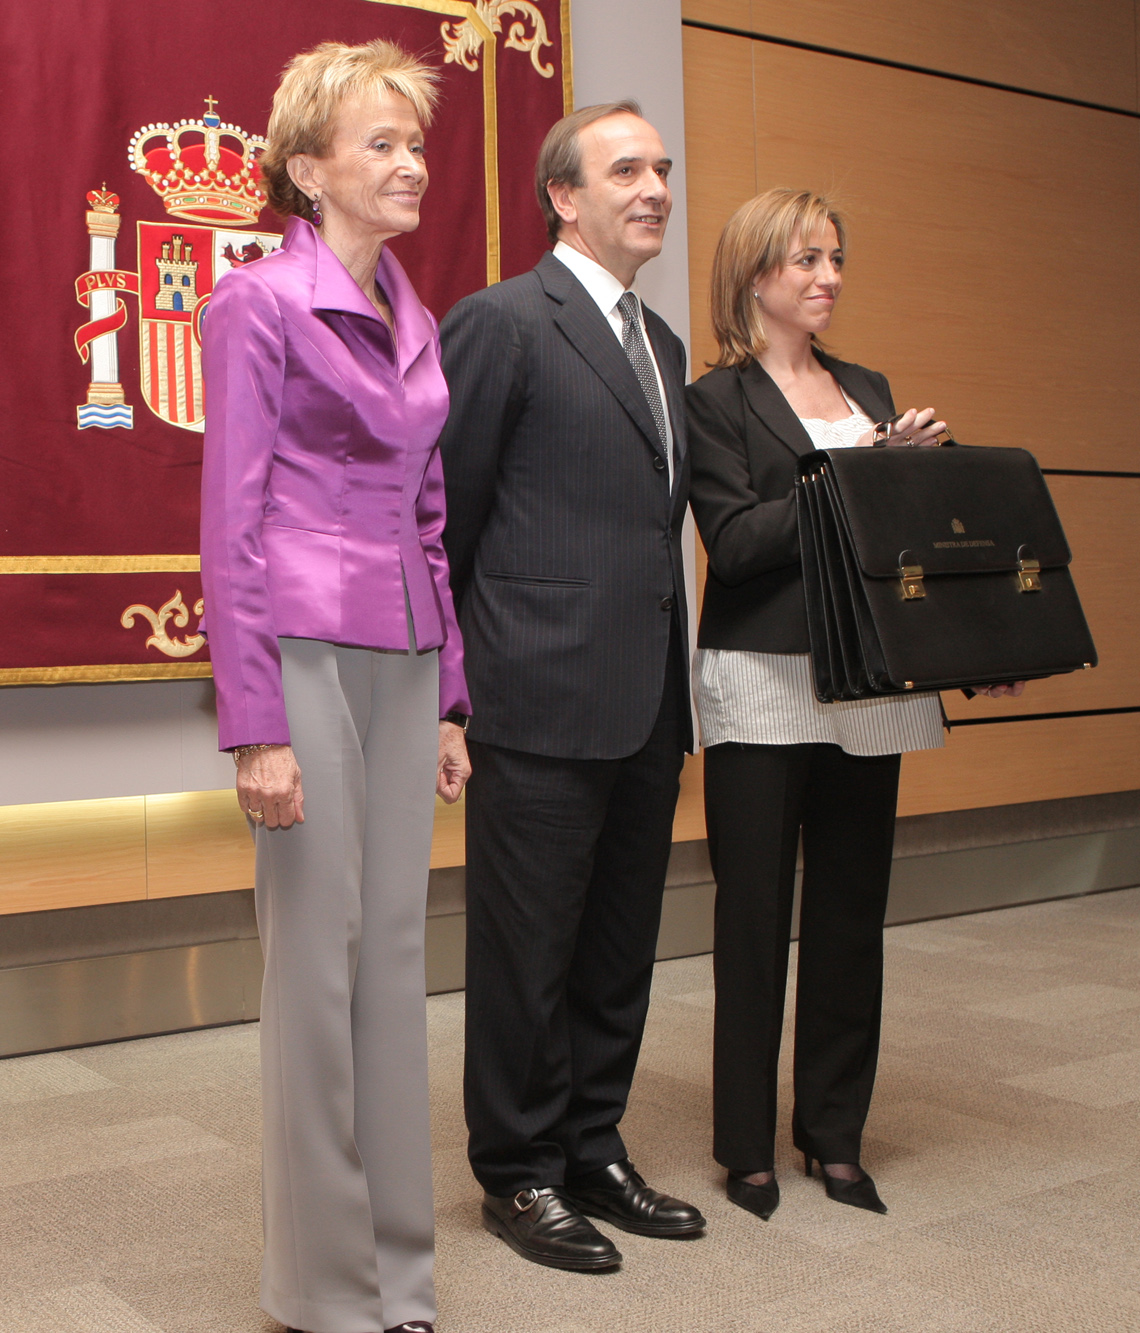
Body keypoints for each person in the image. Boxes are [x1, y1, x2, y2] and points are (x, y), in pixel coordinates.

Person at [199, 39, 472, 1333]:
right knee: (316, 966)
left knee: (392, 961)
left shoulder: (417, 317)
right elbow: (230, 526)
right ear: (308, 170)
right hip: (302, 649)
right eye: (381, 143)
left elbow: (431, 519)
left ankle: (398, 1276)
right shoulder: (255, 304)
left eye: (415, 143)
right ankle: (321, 1290)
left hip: (407, 655)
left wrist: (453, 698)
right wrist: (254, 725)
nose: (410, 163)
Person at [685, 187, 1023, 1221]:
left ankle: (834, 1136)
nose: (827, 277)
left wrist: (909, 480)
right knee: (752, 920)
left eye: (834, 258)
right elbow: (735, 542)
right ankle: (746, 1149)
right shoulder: (714, 399)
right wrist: (849, 477)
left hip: (870, 685)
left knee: (849, 917)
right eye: (805, 260)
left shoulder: (866, 386)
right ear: (754, 276)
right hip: (762, 684)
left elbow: (897, 546)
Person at [438, 101, 706, 1275]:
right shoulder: (500, 322)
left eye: (661, 169)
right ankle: (517, 1170)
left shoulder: (664, 346)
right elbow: (445, 522)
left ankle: (592, 1146)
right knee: (526, 954)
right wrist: (449, 696)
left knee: (615, 950)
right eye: (625, 170)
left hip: (644, 702)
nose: (652, 188)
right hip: (533, 698)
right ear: (562, 195)